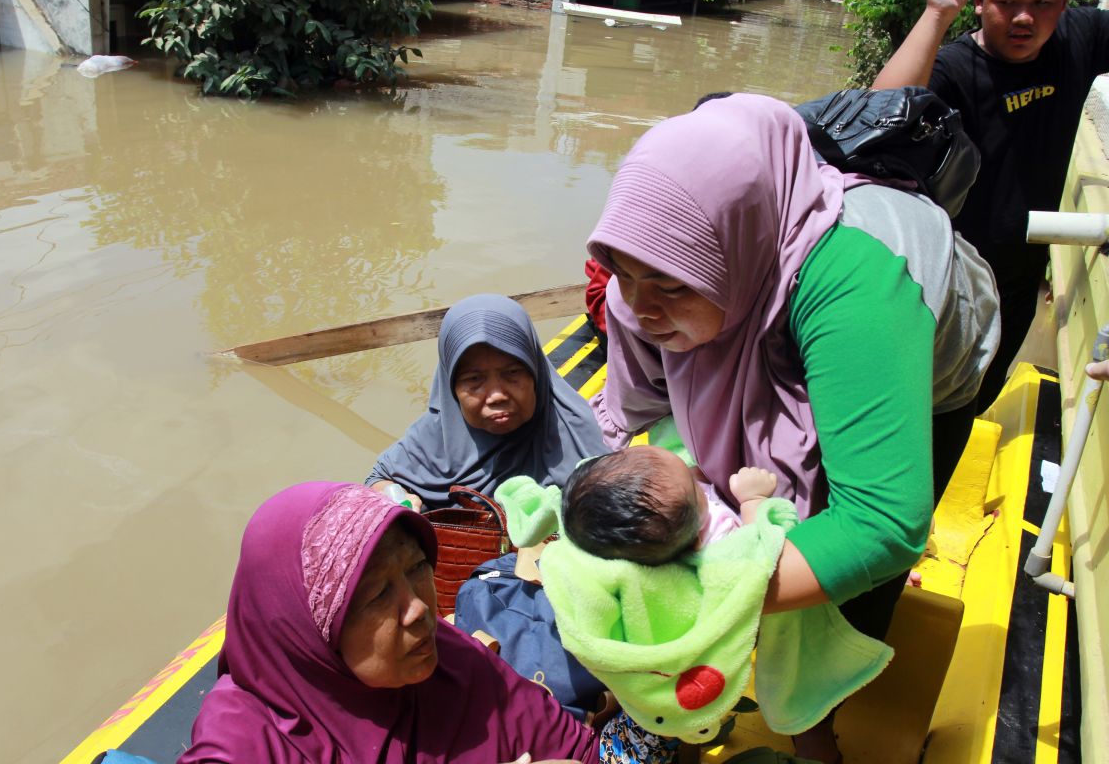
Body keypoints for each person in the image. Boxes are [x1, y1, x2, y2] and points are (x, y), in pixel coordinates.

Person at [584, 93, 1000, 762]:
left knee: (842, 581)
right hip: (755, 316)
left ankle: (819, 732)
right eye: (623, 273)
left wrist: (706, 597)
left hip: (927, 372)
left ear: (735, 253)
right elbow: (623, 418)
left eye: (668, 284)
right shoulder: (651, 276)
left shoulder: (859, 283)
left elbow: (883, 524)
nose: (638, 307)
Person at [178, 481, 598, 764]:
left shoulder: (455, 664)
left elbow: (576, 749)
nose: (418, 608)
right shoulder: (244, 743)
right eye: (378, 595)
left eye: (417, 568)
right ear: (304, 631)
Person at [873, 0, 1109, 411]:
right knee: (923, 407)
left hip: (1018, 281)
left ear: (1064, 1)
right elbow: (878, 114)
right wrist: (936, 15)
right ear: (980, 0)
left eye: (1042, 2)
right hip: (949, 280)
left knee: (976, 398)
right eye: (1007, 1)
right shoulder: (956, 69)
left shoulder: (1078, 38)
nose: (1024, 17)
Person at [367, 293, 609, 510]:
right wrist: (394, 496)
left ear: (536, 373)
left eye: (512, 373)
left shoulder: (578, 438)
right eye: (474, 380)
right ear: (451, 388)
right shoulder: (433, 438)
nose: (496, 395)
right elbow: (378, 478)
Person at [563, 446, 776, 565]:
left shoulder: (674, 504)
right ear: (696, 541)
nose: (696, 476)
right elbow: (757, 554)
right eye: (696, 487)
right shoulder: (717, 540)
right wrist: (753, 500)